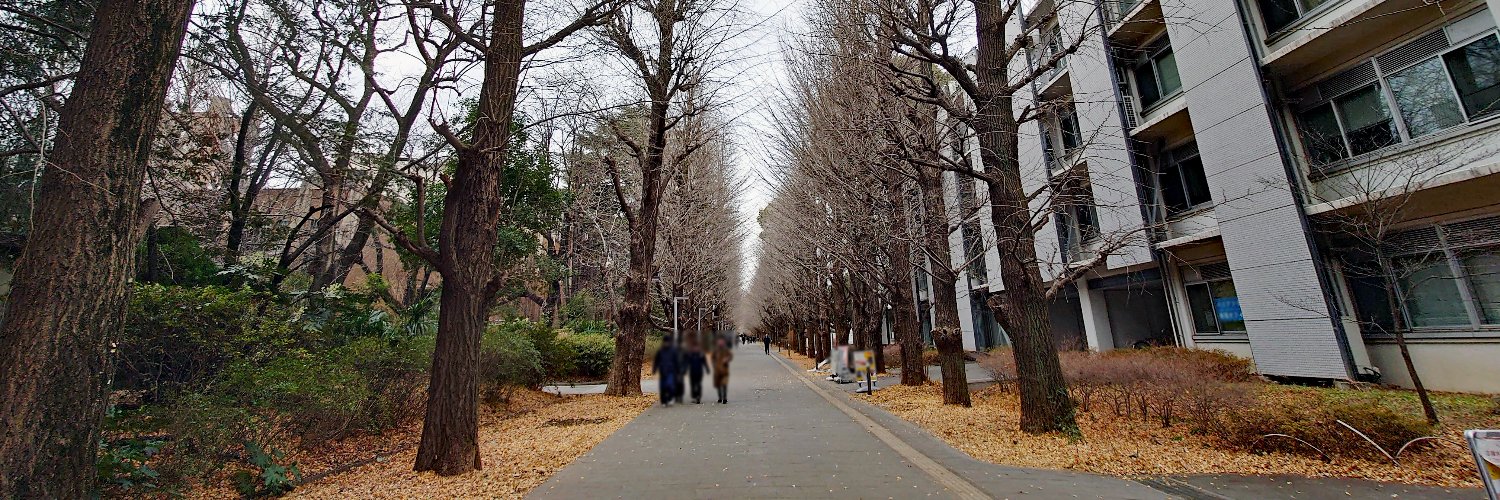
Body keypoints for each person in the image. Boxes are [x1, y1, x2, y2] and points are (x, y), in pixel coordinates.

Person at [652, 335, 682, 407]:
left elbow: (676, 361)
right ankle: (664, 401)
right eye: (665, 342)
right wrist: (654, 369)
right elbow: (657, 360)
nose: (666, 343)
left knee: (670, 385)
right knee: (663, 386)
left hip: (671, 371)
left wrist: (678, 371)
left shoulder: (673, 351)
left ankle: (670, 397)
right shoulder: (660, 351)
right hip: (663, 371)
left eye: (667, 342)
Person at [712, 337, 733, 404]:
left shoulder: (726, 350)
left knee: (724, 384)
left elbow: (730, 356)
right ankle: (720, 397)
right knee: (718, 384)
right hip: (717, 370)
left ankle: (724, 398)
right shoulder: (715, 350)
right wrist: (714, 364)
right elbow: (713, 358)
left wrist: (726, 359)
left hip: (724, 370)